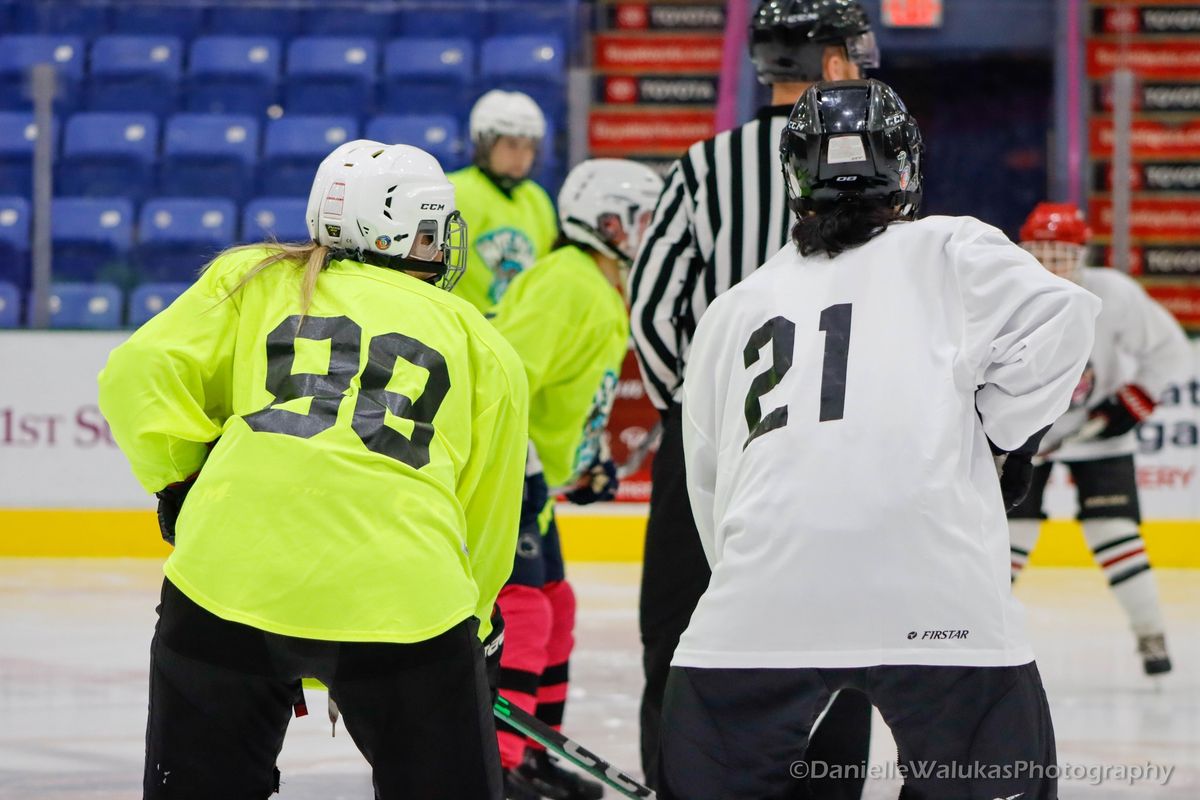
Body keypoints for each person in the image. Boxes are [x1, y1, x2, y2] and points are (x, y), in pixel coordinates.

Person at [658, 79, 1100, 800]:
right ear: (905, 170)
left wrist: (770, 577)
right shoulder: (951, 247)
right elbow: (1063, 320)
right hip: (942, 604)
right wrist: (1004, 435)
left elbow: (711, 478)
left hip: (757, 609)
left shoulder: (734, 308)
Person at [97, 141, 530, 800]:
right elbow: (489, 511)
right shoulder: (480, 339)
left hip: (228, 576)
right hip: (403, 597)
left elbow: (137, 375)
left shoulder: (254, 277)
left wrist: (182, 481)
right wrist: (474, 620)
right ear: (416, 230)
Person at [627, 0, 881, 790]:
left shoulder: (705, 166)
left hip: (715, 447)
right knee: (837, 639)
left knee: (679, 638)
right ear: (831, 63)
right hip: (837, 445)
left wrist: (703, 416)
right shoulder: (874, 165)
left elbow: (650, 305)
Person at [489, 158, 664, 800]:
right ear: (608, 221)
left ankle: (532, 752)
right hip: (507, 472)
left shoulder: (594, 282)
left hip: (529, 472)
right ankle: (500, 767)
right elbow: (502, 376)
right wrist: (514, 477)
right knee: (526, 612)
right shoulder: (569, 282)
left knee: (556, 606)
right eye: (642, 219)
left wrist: (578, 465)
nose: (650, 231)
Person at [1009, 202, 1190, 676]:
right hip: (1030, 433)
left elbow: (1169, 349)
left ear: (1084, 254)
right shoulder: (1004, 294)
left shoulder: (1115, 295)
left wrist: (1135, 400)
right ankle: (980, 632)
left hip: (1100, 432)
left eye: (1061, 253)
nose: (1050, 264)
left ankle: (1151, 636)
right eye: (1040, 252)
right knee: (1010, 537)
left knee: (1114, 531)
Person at [450, 89, 560, 314]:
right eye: (511, 144)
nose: (522, 157)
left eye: (529, 146)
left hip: (515, 331)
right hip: (464, 328)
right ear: (484, 143)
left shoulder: (536, 198)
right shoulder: (455, 192)